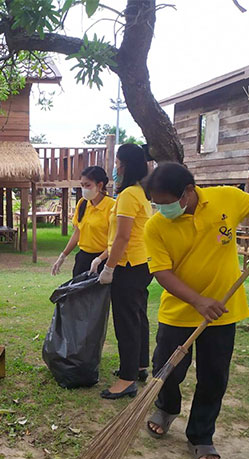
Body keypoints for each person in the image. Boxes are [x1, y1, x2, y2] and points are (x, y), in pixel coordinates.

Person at [143, 162, 249, 459]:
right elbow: (162, 272)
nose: (160, 208)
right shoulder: (155, 226)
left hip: (222, 312)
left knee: (213, 377)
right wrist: (197, 301)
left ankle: (200, 434)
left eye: (165, 202)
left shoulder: (225, 198)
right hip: (179, 313)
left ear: (187, 192)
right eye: (155, 203)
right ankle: (167, 407)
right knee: (166, 369)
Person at [91, 144, 153, 400]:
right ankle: (138, 366)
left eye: (117, 163)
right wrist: (103, 257)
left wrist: (109, 268)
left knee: (126, 322)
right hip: (142, 263)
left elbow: (123, 237)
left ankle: (127, 380)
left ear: (125, 165)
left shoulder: (128, 195)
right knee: (138, 316)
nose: (115, 167)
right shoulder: (140, 193)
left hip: (128, 266)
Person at [51, 166, 114, 277]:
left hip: (103, 259)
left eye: (88, 185)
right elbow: (77, 233)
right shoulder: (83, 203)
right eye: (82, 185)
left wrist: (99, 260)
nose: (84, 189)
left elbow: (115, 241)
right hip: (83, 258)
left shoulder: (112, 206)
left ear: (99, 185)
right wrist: (63, 256)